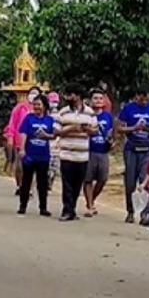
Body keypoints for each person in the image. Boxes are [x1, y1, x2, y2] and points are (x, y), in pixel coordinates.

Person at [117, 89, 149, 223]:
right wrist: (133, 128)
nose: (144, 102)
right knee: (130, 182)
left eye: (146, 100)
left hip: (147, 149)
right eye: (142, 100)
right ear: (136, 96)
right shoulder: (128, 108)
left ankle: (144, 213)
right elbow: (119, 128)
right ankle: (130, 211)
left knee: (145, 181)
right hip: (131, 148)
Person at [54, 87, 95, 221]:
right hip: (66, 153)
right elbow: (56, 132)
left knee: (77, 184)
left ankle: (72, 209)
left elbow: (96, 130)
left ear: (78, 96)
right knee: (67, 184)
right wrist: (72, 128)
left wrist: (88, 129)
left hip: (82, 154)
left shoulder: (89, 112)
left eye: (70, 94)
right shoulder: (63, 112)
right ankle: (67, 210)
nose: (67, 97)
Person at [17, 95, 56, 216]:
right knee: (26, 181)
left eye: (39, 104)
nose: (36, 107)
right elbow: (23, 134)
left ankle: (43, 207)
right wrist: (22, 149)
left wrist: (46, 136)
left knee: (43, 183)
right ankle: (23, 205)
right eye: (34, 105)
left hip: (43, 156)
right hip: (29, 155)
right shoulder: (28, 118)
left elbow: (54, 135)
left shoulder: (50, 120)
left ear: (44, 106)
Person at [83, 91, 115, 217]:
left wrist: (112, 142)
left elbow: (111, 132)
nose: (98, 101)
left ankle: (91, 200)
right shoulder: (87, 116)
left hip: (103, 151)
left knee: (102, 179)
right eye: (95, 98)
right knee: (88, 179)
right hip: (89, 150)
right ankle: (90, 205)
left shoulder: (108, 116)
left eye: (101, 98)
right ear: (90, 101)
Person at [5, 88, 39, 188]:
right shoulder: (20, 108)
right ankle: (20, 185)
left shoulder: (41, 109)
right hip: (20, 141)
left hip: (35, 141)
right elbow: (12, 123)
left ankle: (30, 188)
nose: (33, 96)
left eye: (36, 94)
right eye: (31, 93)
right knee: (20, 166)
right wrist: (10, 137)